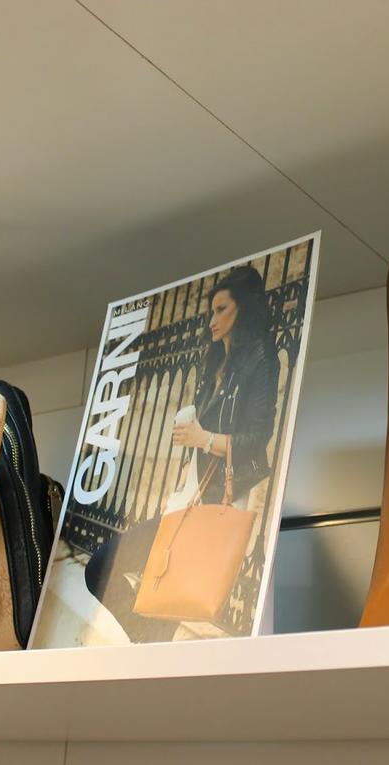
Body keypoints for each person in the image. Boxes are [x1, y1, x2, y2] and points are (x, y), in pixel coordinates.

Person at [84, 265, 279, 641]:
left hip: (219, 501)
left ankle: (149, 643)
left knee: (168, 595)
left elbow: (257, 438)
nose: (212, 320)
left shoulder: (261, 358)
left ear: (244, 308)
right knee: (101, 568)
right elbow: (199, 441)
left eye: (221, 309)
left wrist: (202, 438)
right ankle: (148, 640)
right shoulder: (215, 363)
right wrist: (177, 492)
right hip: (189, 498)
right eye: (210, 311)